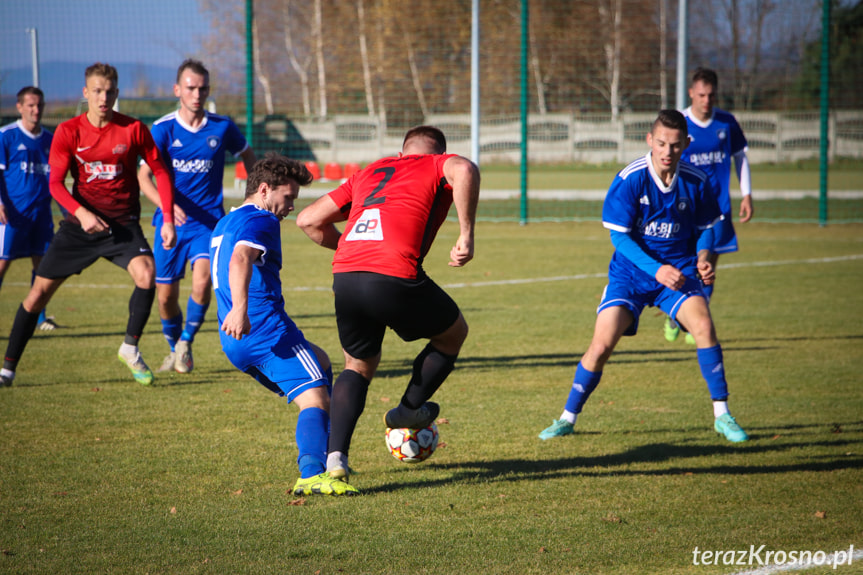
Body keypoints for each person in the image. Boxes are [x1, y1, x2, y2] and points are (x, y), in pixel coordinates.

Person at [538, 109, 749, 443]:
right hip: (631, 276)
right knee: (602, 343)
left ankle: (722, 415)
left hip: (678, 274)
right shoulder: (630, 178)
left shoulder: (696, 180)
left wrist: (704, 257)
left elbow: (707, 228)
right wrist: (657, 269)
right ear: (650, 140)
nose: (668, 152)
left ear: (686, 144)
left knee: (704, 327)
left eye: (676, 145)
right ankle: (567, 417)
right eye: (662, 143)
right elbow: (619, 238)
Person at [296, 125, 480, 492]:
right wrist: (466, 234)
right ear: (436, 154)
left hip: (346, 274)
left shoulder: (370, 171)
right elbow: (465, 169)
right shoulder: (436, 165)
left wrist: (357, 249)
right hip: (395, 274)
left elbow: (307, 220)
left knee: (357, 365)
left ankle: (335, 461)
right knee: (453, 334)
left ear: (401, 152)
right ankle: (409, 408)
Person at [0, 63, 175, 388]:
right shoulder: (69, 131)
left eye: (109, 91)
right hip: (79, 228)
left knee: (147, 273)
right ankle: (7, 369)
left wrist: (167, 217)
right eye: (97, 91)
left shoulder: (133, 128)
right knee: (37, 293)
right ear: (86, 93)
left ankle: (129, 347)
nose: (103, 97)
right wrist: (81, 213)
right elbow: (55, 184)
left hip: (122, 226)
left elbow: (160, 172)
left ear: (117, 93)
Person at [210, 154, 356, 496]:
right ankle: (311, 472)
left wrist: (233, 313)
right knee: (315, 398)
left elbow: (220, 266)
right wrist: (241, 310)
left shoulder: (225, 223)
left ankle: (329, 455)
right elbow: (240, 258)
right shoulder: (262, 220)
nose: (291, 206)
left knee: (320, 364)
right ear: (264, 189)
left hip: (234, 339)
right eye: (287, 197)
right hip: (264, 330)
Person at [138, 59, 256, 375]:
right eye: (191, 87)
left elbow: (248, 155)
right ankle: (174, 348)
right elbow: (143, 177)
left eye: (203, 88)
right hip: (170, 225)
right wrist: (166, 208)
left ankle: (186, 343)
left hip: (209, 225)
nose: (197, 93)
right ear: (178, 90)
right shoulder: (163, 129)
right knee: (165, 298)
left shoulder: (222, 126)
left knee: (202, 282)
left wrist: (253, 194)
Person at [664, 67, 754, 344]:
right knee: (680, 261)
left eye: (711, 95)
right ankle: (675, 312)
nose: (706, 100)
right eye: (701, 94)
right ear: (692, 93)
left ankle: (696, 318)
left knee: (707, 264)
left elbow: (740, 157)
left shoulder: (726, 123)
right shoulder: (680, 123)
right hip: (684, 207)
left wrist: (747, 194)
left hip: (718, 208)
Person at [0, 86, 59, 331]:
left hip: (42, 214)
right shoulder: (7, 135)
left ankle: (40, 317)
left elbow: (57, 178)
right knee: (2, 265)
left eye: (40, 105)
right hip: (12, 215)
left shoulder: (49, 140)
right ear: (20, 107)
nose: (36, 110)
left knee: (43, 267)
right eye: (31, 105)